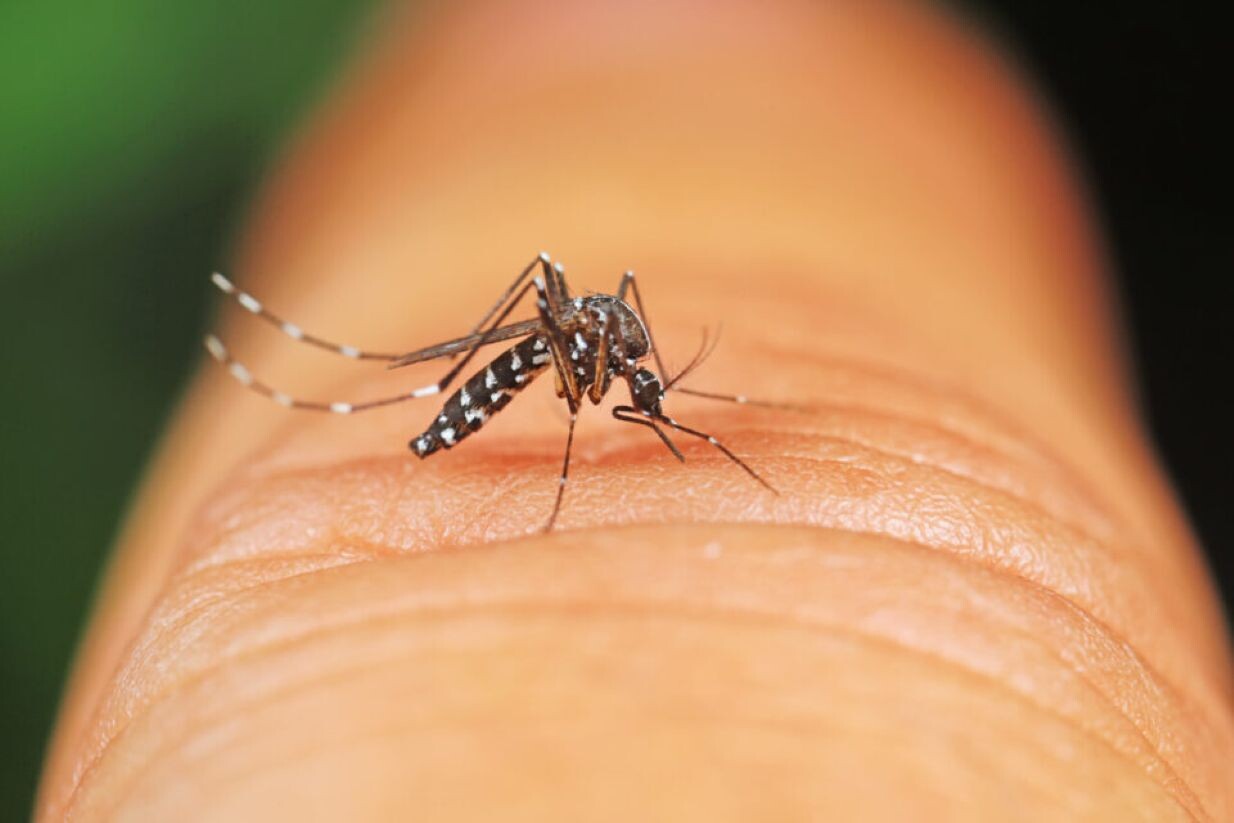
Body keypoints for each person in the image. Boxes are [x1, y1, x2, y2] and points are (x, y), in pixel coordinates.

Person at [37, 1, 1234, 819]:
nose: (644, 403)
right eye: (646, 398)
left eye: (647, 397)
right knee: (558, 294)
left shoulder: (632, 353)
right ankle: (385, 363)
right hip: (502, 351)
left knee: (588, 298)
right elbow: (577, 334)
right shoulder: (589, 352)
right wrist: (546, 428)